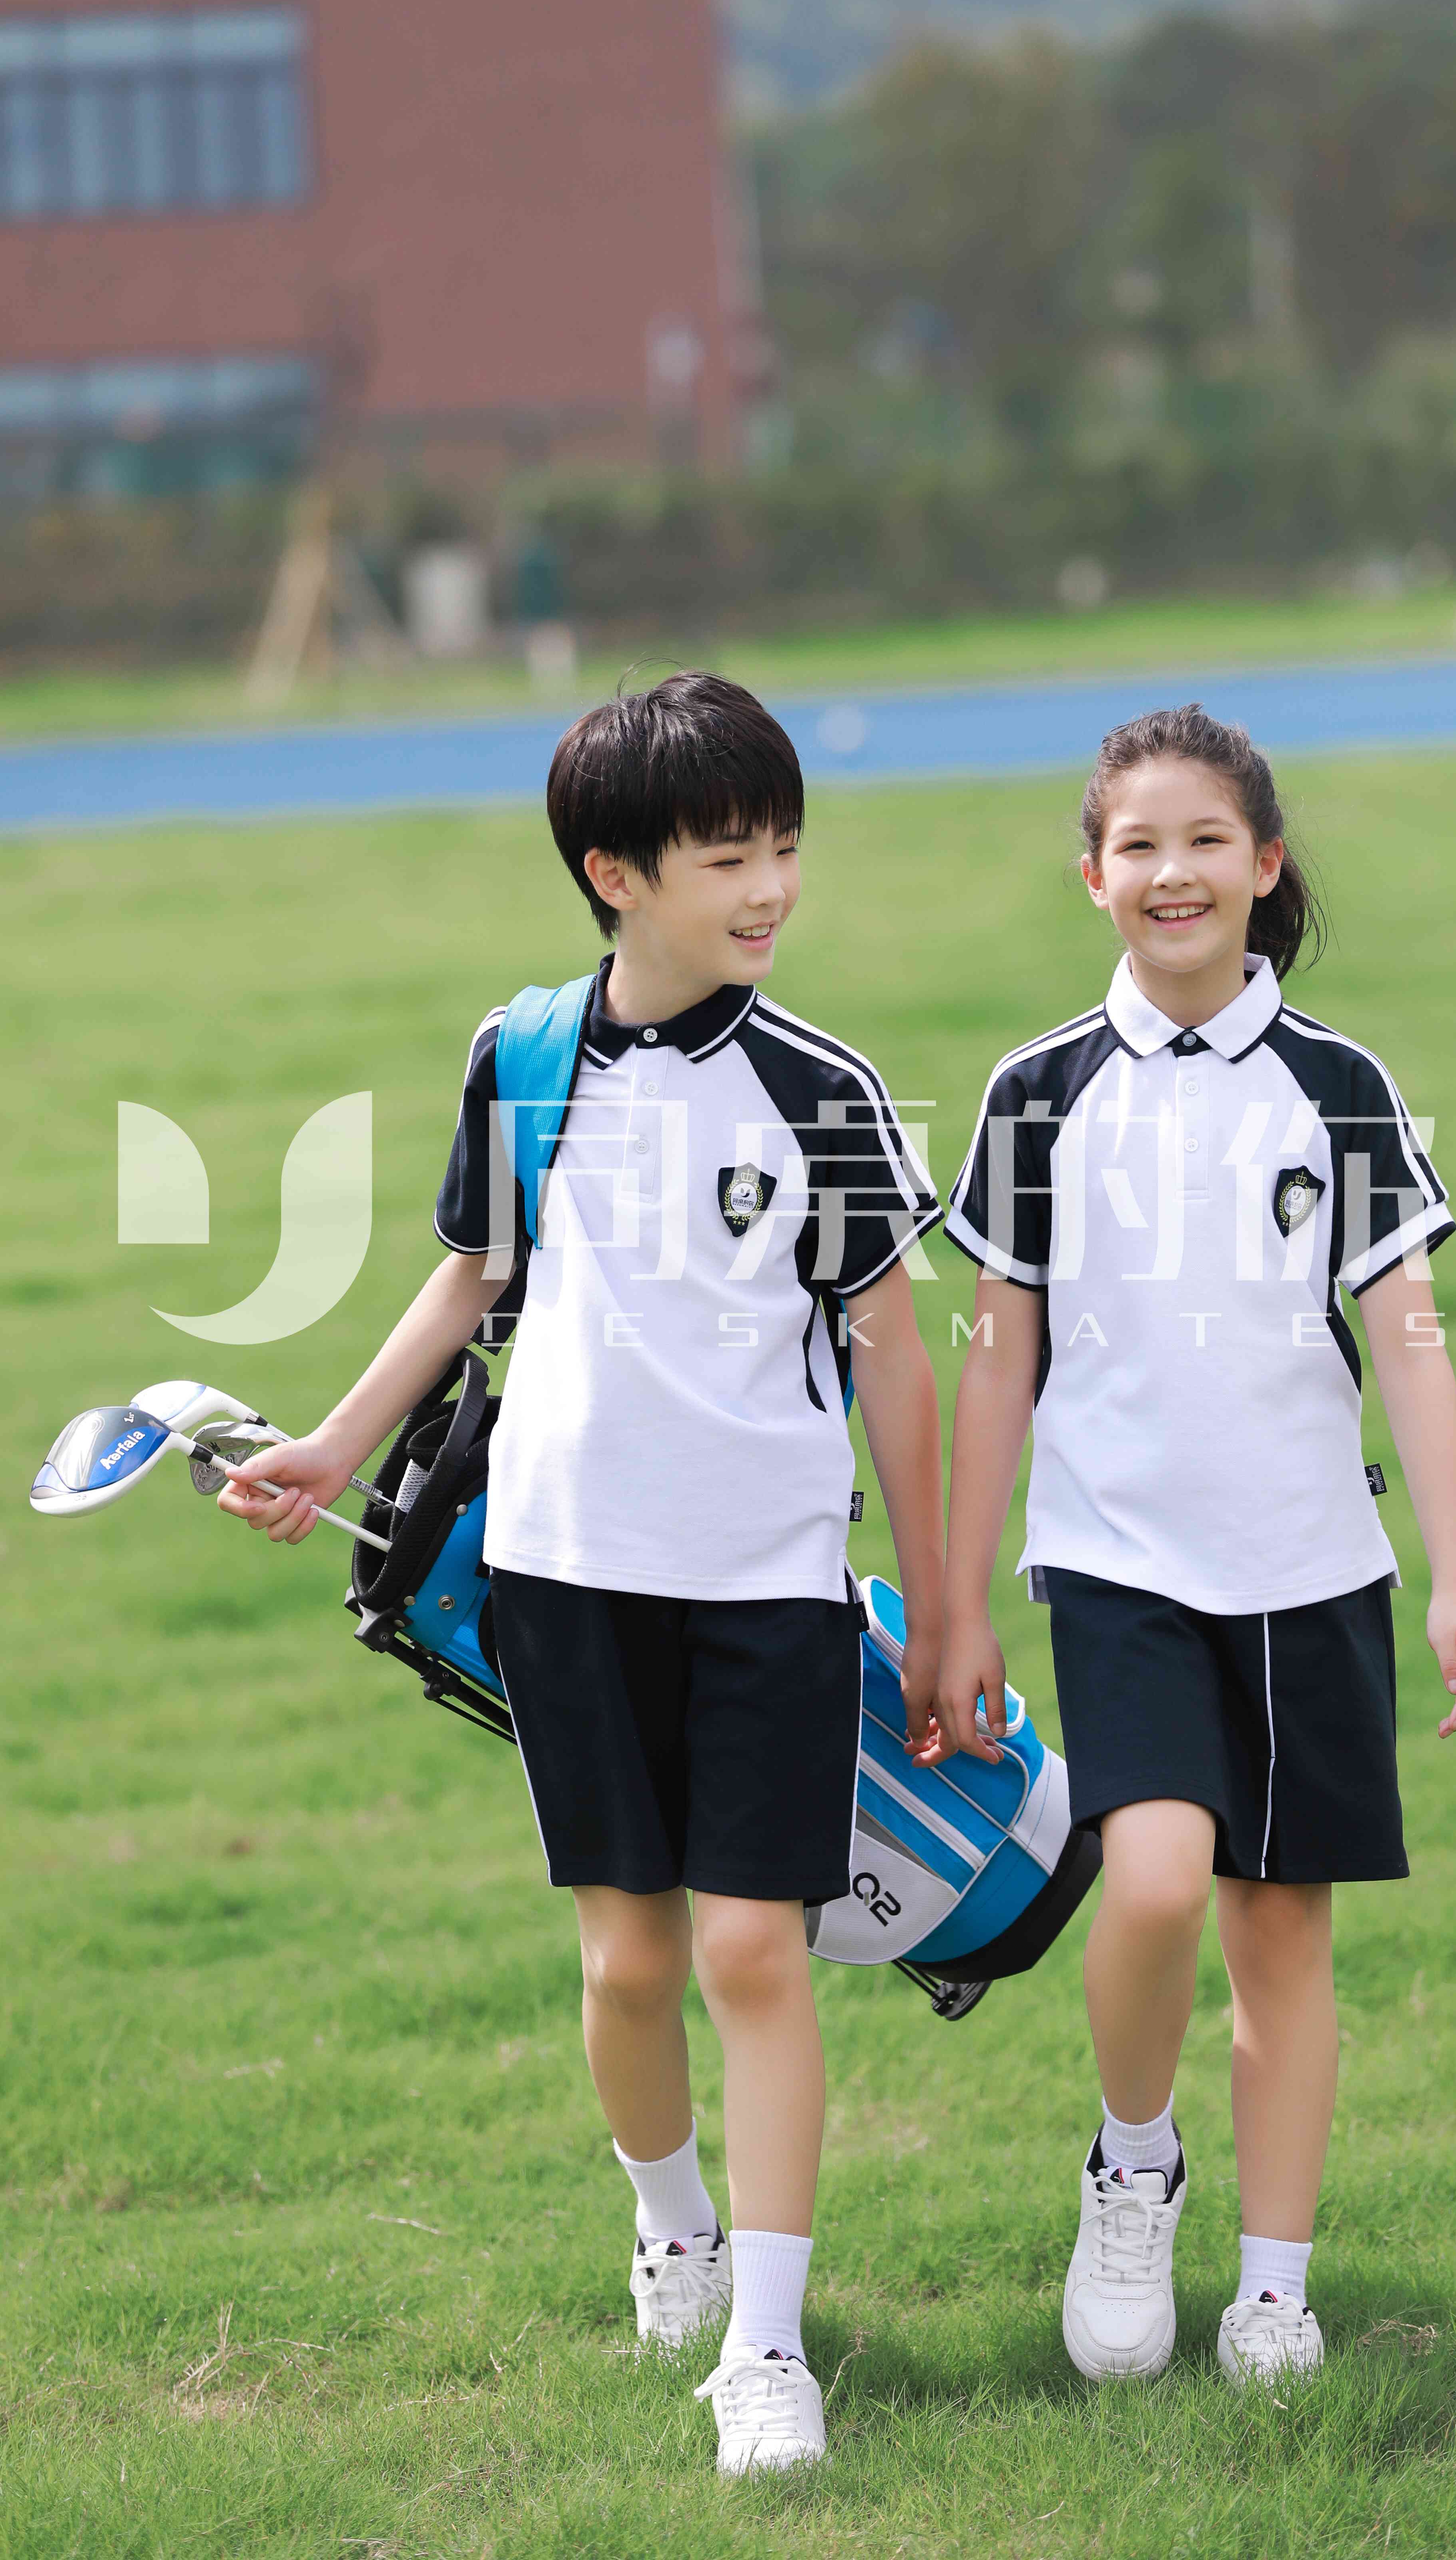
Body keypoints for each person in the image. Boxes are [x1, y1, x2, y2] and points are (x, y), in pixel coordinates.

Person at [220, 673, 947, 2473]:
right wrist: (330, 1441)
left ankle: (768, 2353)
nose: (769, 885)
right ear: (615, 874)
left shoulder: (824, 1088)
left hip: (770, 1580)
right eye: (727, 856)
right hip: (559, 1575)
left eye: (784, 845)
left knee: (750, 1955)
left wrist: (948, 1606)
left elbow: (896, 1358)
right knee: (626, 1967)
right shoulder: (522, 1053)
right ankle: (673, 2225)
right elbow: (470, 1275)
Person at [937, 701, 1456, 2387]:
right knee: (1158, 1877)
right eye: (1136, 846)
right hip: (1118, 1562)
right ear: (1090, 876)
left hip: (1314, 1567)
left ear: (1262, 866)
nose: (1169, 872)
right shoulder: (1037, 1091)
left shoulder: (1340, 1086)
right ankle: (1131, 2162)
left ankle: (1272, 2285)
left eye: (1203, 842)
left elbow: (1406, 1336)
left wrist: (1454, 1575)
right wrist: (957, 1603)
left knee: (1282, 1935)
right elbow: (997, 1358)